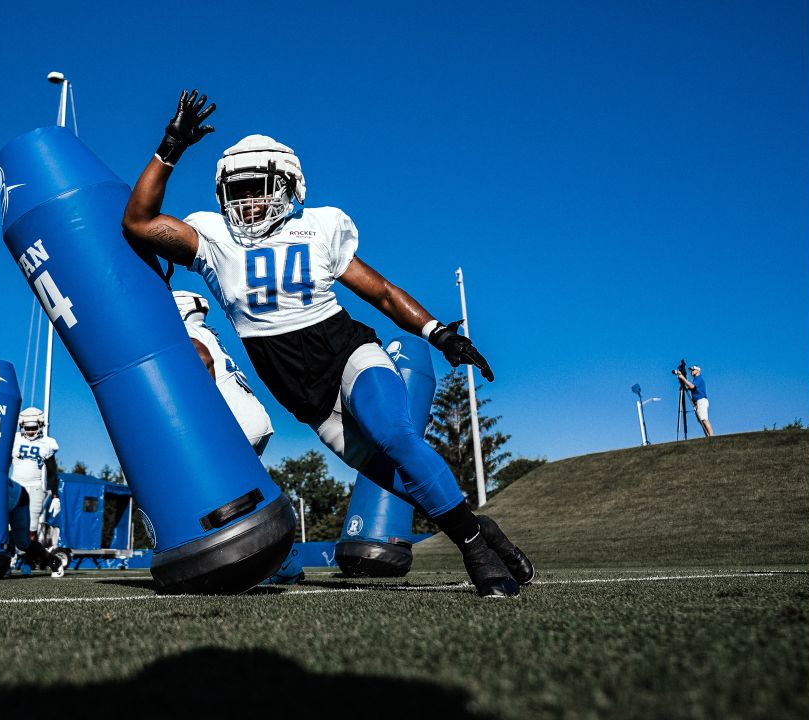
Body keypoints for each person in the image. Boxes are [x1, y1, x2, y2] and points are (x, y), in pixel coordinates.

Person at [122, 90, 533, 597]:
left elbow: (380, 291)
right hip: (302, 393)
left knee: (396, 437)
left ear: (289, 185)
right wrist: (170, 147)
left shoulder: (317, 227)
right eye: (238, 189)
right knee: (400, 481)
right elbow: (137, 221)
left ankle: (475, 552)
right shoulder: (212, 238)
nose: (247, 200)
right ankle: (482, 528)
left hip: (346, 354)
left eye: (258, 186)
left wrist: (437, 331)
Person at [173, 290, 274, 455]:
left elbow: (203, 357)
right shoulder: (206, 332)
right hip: (255, 417)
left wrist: (209, 411)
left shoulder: (187, 330)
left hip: (235, 421)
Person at [10, 407, 62, 574]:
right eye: (28, 427)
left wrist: (55, 496)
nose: (31, 431)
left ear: (40, 425)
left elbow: (53, 472)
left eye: (34, 427)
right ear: (21, 426)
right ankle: (6, 562)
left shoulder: (47, 443)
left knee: (30, 534)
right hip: (15, 486)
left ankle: (38, 561)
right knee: (7, 530)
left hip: (35, 489)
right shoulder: (13, 439)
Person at [674, 364, 714, 437]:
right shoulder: (695, 379)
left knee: (704, 419)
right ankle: (708, 436)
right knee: (701, 421)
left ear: (698, 370)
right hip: (698, 401)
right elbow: (691, 387)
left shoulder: (698, 378)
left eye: (693, 370)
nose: (691, 371)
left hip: (701, 401)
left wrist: (683, 378)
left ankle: (711, 436)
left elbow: (692, 387)